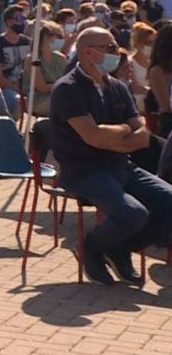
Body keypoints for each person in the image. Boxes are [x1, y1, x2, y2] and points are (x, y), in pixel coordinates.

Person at [49, 27, 172, 286]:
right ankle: (91, 248)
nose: (116, 53)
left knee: (169, 201)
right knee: (133, 212)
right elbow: (92, 137)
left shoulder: (117, 87)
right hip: (83, 171)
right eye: (110, 48)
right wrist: (124, 133)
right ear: (87, 51)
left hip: (121, 166)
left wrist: (113, 137)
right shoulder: (68, 89)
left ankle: (120, 248)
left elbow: (142, 135)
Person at [0, 5, 31, 119]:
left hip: (26, 86)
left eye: (24, 19)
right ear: (9, 22)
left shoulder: (29, 43)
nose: (23, 23)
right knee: (18, 102)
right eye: (19, 19)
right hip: (6, 88)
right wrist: (19, 90)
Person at [129, 22, 156, 113]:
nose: (153, 46)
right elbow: (134, 87)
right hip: (139, 106)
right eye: (149, 42)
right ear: (138, 43)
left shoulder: (156, 63)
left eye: (155, 42)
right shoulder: (130, 62)